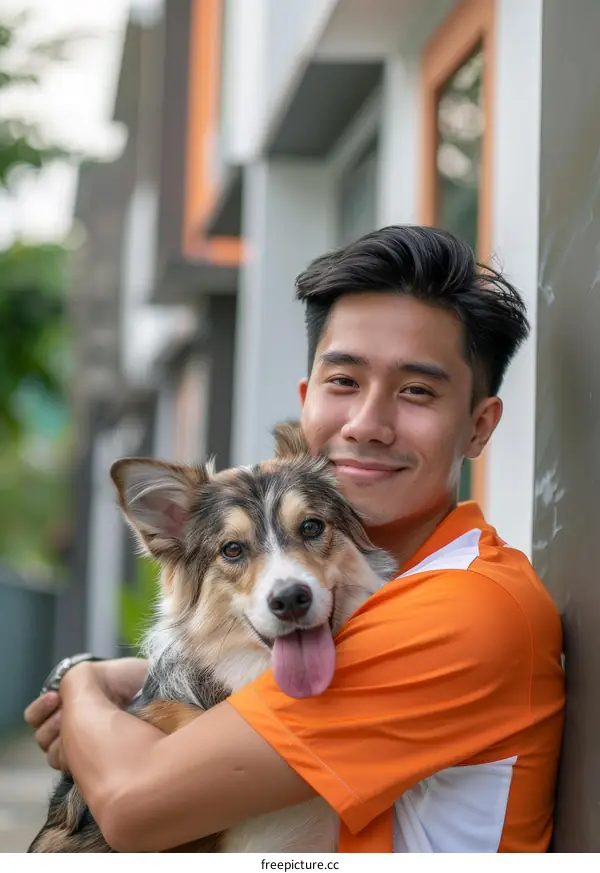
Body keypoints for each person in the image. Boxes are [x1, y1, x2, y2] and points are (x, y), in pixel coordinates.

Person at [24, 226, 565, 853]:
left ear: (478, 426)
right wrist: (137, 677)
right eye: (344, 382)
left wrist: (81, 685)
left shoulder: (462, 611)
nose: (367, 425)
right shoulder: (386, 597)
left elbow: (132, 804)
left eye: (417, 391)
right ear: (308, 404)